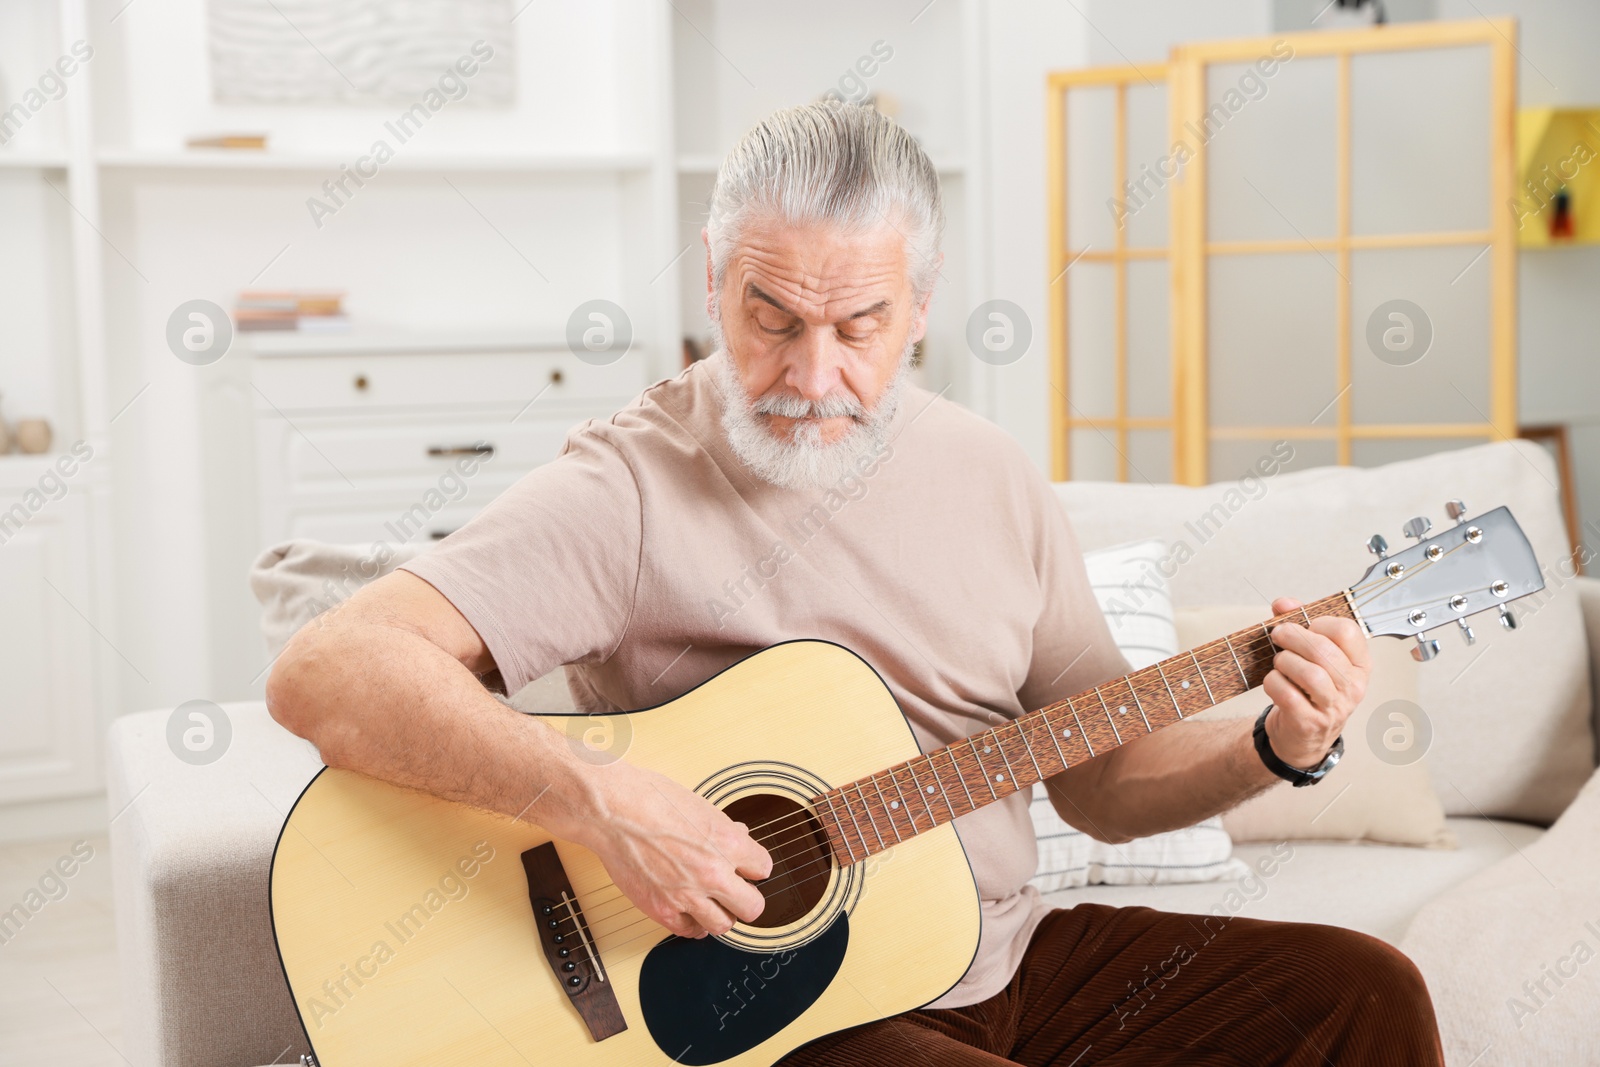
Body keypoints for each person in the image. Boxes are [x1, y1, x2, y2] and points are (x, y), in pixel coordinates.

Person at [267, 100, 1444, 1065]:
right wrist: (597, 800)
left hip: (1001, 955)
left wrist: (1275, 748)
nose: (809, 375)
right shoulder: (628, 484)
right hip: (783, 1013)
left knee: (1364, 996)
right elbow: (329, 670)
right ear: (716, 276)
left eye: (860, 325)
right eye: (769, 317)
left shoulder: (990, 474)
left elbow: (1101, 783)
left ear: (922, 307)